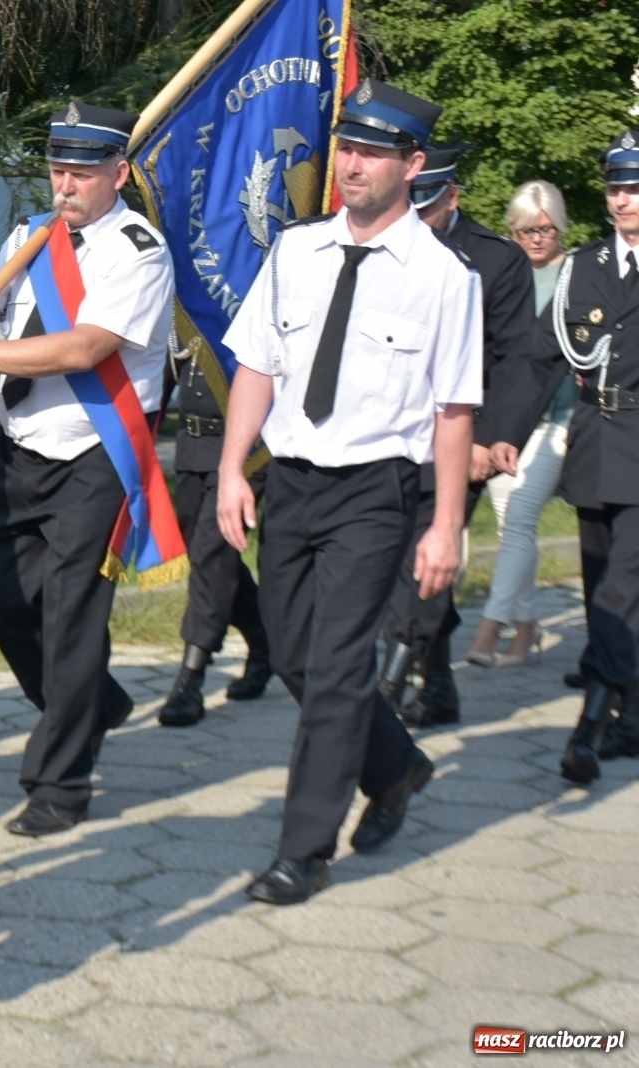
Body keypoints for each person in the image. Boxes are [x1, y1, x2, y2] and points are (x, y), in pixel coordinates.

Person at [217, 81, 482, 904]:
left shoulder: (445, 277)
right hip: (292, 483)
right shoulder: (296, 251)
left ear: (412, 164)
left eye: (372, 152)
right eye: (347, 148)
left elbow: (453, 410)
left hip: (376, 493)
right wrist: (232, 468)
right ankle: (395, 766)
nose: (353, 164)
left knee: (335, 669)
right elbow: (259, 366)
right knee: (292, 653)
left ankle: (304, 850)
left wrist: (444, 526)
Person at [0, 102, 176, 836]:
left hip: (93, 457)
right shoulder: (32, 234)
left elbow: (79, 350)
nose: (65, 183)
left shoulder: (140, 251)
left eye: (82, 171)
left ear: (118, 174)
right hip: (20, 446)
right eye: (57, 168)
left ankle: (60, 783)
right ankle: (91, 703)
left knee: (71, 614)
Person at [488, 130, 639, 784]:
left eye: (635, 189)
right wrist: (504, 433)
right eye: (615, 188)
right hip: (595, 443)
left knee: (618, 590)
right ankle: (630, 718)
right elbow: (538, 359)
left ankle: (593, 719)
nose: (624, 200)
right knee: (606, 579)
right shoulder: (584, 269)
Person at [376, 145, 537, 729]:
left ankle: (390, 686)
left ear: (452, 196)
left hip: (456, 441)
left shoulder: (495, 261)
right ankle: (439, 685)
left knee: (423, 562)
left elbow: (519, 358)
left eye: (427, 206)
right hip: (387, 434)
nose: (416, 218)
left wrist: (490, 440)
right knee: (400, 563)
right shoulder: (383, 249)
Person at [465, 180, 576, 669]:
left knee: (520, 509)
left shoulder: (577, 274)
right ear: (511, 231)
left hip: (561, 420)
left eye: (545, 228)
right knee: (514, 522)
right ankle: (527, 627)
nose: (536, 238)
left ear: (560, 227)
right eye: (526, 230)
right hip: (508, 423)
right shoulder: (504, 275)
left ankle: (489, 631)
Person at [158, 349, 271, 728]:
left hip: (248, 445)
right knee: (205, 553)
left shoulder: (259, 288)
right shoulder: (183, 292)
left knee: (212, 552)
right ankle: (264, 636)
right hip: (193, 439)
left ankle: (191, 677)